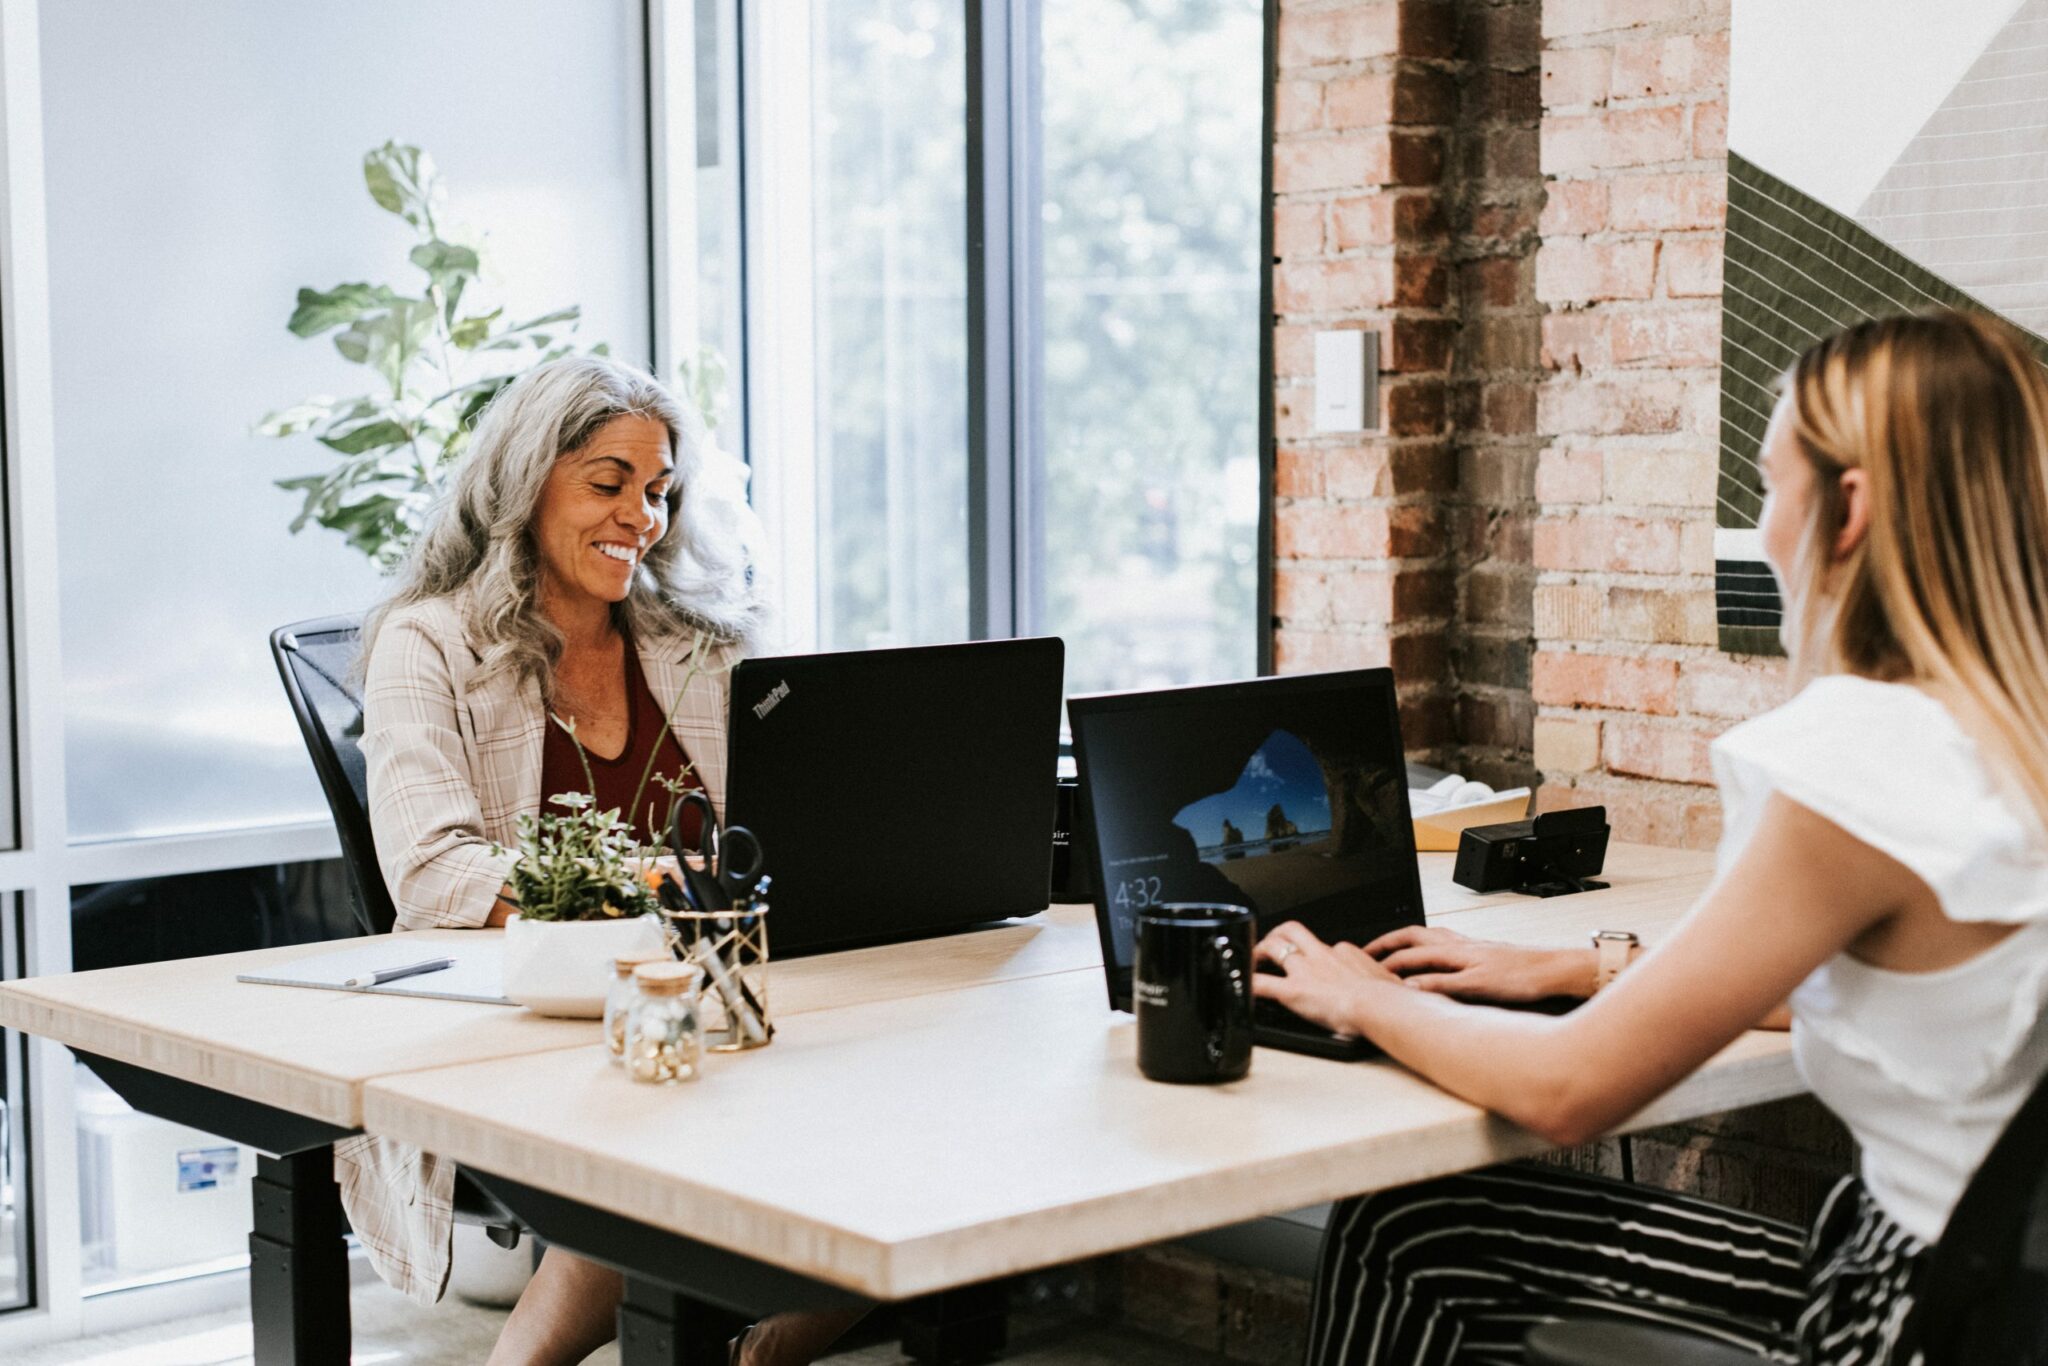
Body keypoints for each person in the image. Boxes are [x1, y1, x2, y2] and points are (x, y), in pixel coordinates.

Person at [1253, 310, 2048, 1366]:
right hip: (1997, 1300)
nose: (1764, 527)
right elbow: (1876, 975)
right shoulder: (2008, 735)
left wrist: (1366, 996)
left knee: (1410, 1228)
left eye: (1769, 487)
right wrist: (1573, 963)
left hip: (1902, 1318)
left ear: (1846, 508)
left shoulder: (1864, 757)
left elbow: (1567, 1092)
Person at [356, 356, 858, 1366]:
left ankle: (759, 1352)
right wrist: (636, 897)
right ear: (525, 481)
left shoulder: (703, 644)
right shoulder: (429, 645)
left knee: (904, 1103)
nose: (643, 515)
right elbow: (434, 874)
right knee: (647, 1150)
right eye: (609, 483)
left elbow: (795, 824)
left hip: (712, 1007)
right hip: (527, 1022)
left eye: (660, 491)